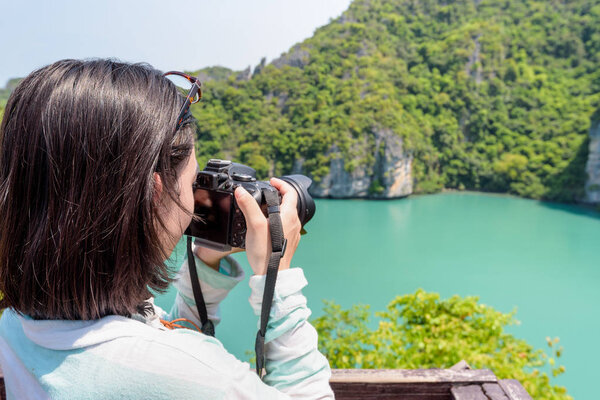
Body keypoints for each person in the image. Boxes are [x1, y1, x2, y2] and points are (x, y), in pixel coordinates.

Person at [0, 59, 334, 399]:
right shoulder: (208, 380)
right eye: (193, 183)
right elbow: (172, 368)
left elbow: (152, 347)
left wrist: (204, 267)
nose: (194, 204)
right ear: (155, 195)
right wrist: (278, 281)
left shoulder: (16, 326)